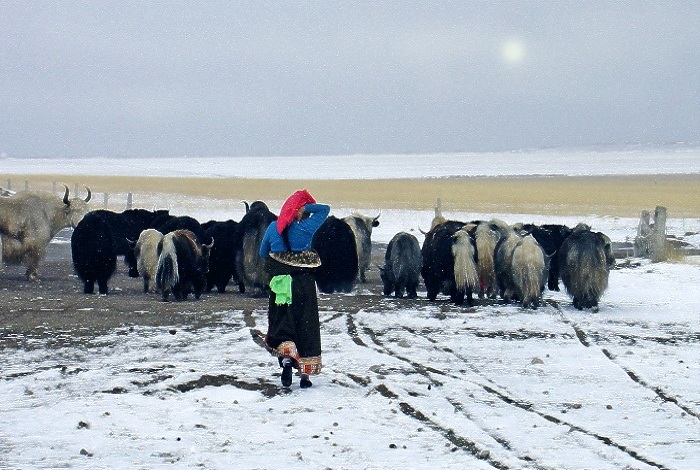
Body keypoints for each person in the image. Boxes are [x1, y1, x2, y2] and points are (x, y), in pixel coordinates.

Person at [258, 189, 330, 388]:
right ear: (300, 211)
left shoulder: (273, 228)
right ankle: (305, 376)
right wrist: (305, 208)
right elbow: (325, 209)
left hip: (281, 285)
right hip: (303, 283)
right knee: (305, 325)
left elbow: (263, 252)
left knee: (282, 323)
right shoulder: (305, 228)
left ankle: (288, 360)